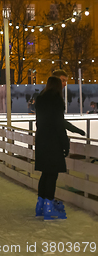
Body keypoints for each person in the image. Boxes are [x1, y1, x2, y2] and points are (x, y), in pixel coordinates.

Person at [34, 76, 85, 220]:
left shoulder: (40, 100)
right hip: (53, 141)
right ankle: (49, 208)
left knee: (45, 174)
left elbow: (43, 121)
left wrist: (74, 130)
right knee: (52, 175)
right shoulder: (56, 101)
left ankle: (41, 205)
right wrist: (65, 143)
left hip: (41, 139)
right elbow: (58, 123)